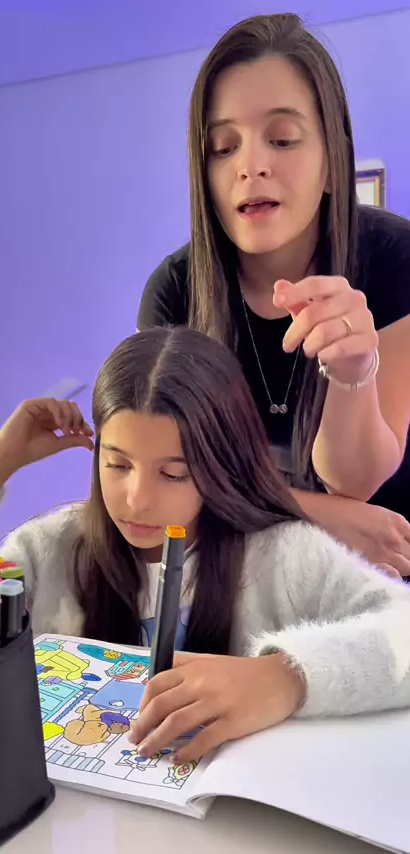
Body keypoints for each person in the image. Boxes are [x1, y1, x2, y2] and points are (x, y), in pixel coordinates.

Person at [0, 327, 410, 762]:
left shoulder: (284, 556)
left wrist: (285, 677)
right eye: (117, 465)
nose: (137, 500)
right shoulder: (47, 548)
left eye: (174, 473)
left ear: (221, 466)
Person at [137, 13, 410, 576]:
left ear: (333, 160)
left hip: (386, 583)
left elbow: (355, 480)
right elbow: (166, 481)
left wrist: (353, 371)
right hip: (247, 584)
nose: (251, 166)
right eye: (222, 147)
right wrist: (314, 515)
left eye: (282, 139)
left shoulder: (396, 259)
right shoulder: (174, 294)